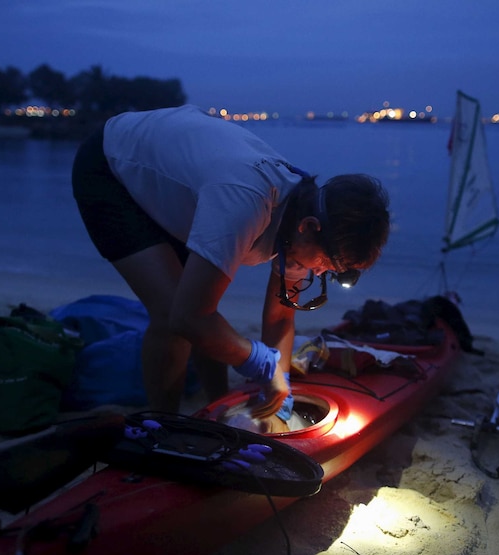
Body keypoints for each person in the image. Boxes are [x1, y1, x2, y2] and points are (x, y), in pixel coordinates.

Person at [71, 104, 390, 433]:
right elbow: (188, 317)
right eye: (327, 263)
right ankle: (164, 425)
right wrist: (260, 363)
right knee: (173, 316)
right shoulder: (245, 202)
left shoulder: (303, 221)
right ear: (309, 227)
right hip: (112, 167)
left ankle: (216, 403)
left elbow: (280, 316)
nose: (321, 273)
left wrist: (279, 383)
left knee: (203, 306)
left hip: (181, 182)